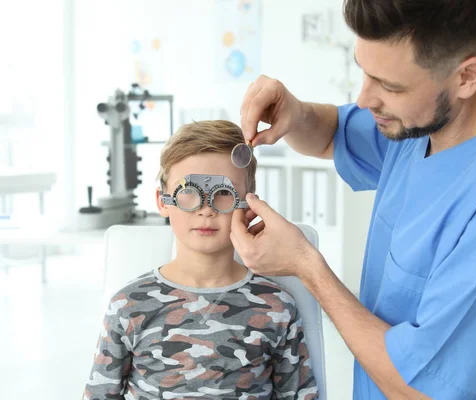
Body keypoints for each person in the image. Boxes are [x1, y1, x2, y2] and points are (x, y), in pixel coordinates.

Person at [231, 0, 476, 399]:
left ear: (467, 77)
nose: (364, 99)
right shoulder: (421, 126)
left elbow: (424, 391)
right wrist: (297, 112)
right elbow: (331, 135)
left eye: (389, 86)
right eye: (364, 71)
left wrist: (306, 266)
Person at [83, 121, 318, 400]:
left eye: (223, 194)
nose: (206, 209)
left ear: (248, 206)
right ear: (163, 201)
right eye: (189, 193)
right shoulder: (128, 305)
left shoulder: (277, 306)